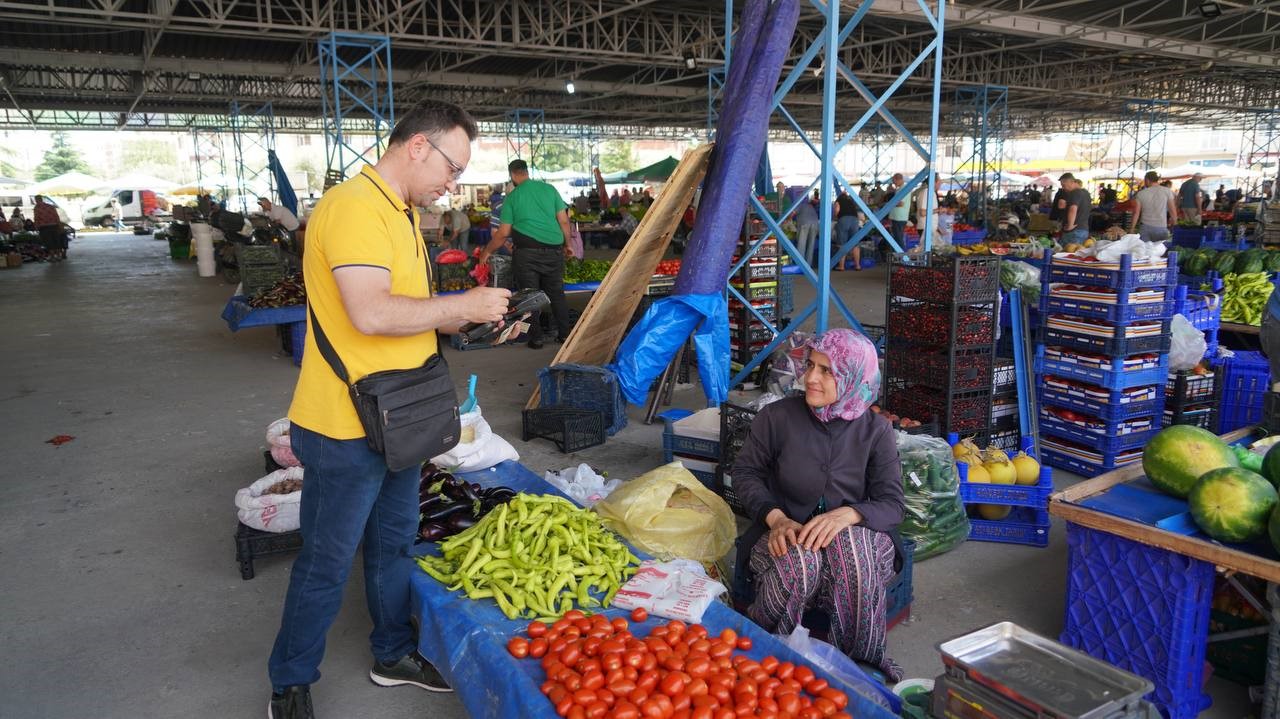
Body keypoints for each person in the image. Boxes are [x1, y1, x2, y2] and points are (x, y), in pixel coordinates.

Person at [267, 100, 511, 719]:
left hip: (398, 414)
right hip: (344, 423)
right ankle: (290, 682)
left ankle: (392, 652)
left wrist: (468, 318)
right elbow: (371, 312)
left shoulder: (400, 212)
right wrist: (462, 306)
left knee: (394, 543)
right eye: (452, 168)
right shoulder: (353, 208)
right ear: (418, 146)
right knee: (326, 559)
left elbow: (404, 311)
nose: (452, 184)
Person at [731, 329, 905, 681]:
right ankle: (768, 658)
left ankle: (859, 668)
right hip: (784, 538)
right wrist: (776, 518)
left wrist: (851, 513)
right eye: (811, 365)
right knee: (801, 561)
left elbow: (892, 504)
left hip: (862, 548)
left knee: (850, 547)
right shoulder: (777, 417)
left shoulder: (876, 431)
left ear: (855, 376)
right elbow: (745, 474)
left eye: (827, 371)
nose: (810, 377)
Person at [477, 158, 573, 349]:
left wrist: (486, 251)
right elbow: (564, 221)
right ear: (526, 171)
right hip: (554, 251)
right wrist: (567, 244)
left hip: (527, 254)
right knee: (557, 295)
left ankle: (536, 339)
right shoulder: (549, 190)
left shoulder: (512, 198)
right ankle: (565, 336)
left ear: (512, 175)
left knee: (530, 298)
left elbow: (503, 233)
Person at [1128, 171, 1177, 244]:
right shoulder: (1167, 191)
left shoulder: (1141, 194)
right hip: (1161, 228)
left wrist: (1132, 229)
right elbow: (1172, 211)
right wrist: (1175, 225)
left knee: (1143, 251)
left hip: (1145, 228)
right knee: (1160, 252)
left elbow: (1136, 213)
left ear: (1147, 180)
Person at [1058, 173, 1091, 246]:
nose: (1063, 188)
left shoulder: (1075, 192)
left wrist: (1070, 225)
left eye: (1064, 185)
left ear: (1071, 182)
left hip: (1074, 232)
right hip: (1083, 229)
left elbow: (1073, 209)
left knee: (1065, 254)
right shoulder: (1086, 193)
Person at [833, 191, 861, 271]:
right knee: (855, 244)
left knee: (842, 244)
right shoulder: (851, 201)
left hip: (843, 220)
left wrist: (835, 216)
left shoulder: (839, 201)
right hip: (855, 220)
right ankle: (857, 265)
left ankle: (841, 266)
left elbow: (837, 210)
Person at [33, 195, 67, 261]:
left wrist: (36, 227)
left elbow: (36, 218)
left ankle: (52, 257)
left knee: (49, 242)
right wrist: (59, 226)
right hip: (54, 226)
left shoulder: (37, 207)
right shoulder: (50, 206)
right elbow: (56, 216)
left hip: (44, 227)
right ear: (42, 199)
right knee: (56, 241)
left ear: (36, 200)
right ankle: (58, 256)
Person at [792, 192, 820, 267]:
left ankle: (800, 265)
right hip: (815, 224)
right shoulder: (810, 206)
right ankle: (808, 265)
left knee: (801, 244)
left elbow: (792, 213)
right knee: (811, 245)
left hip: (804, 223)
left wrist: (787, 219)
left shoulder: (799, 204)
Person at [886, 173, 909, 256]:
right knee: (897, 238)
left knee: (899, 239)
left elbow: (901, 203)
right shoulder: (899, 189)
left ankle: (902, 257)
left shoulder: (904, 189)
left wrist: (890, 204)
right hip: (897, 217)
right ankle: (898, 256)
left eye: (894, 181)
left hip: (899, 218)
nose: (893, 183)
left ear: (897, 179)